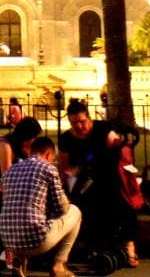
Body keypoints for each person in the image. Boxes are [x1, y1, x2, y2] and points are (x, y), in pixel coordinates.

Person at [58, 99, 138, 267]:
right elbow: (64, 168)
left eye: (82, 121)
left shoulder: (102, 129)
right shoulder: (66, 138)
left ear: (89, 118)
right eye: (74, 123)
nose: (79, 126)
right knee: (83, 206)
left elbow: (118, 148)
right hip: (83, 182)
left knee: (122, 204)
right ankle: (89, 245)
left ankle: (129, 244)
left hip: (108, 176)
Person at [0, 136, 81, 277]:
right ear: (49, 154)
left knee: (23, 217)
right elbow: (61, 207)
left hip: (7, 239)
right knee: (75, 212)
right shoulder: (48, 168)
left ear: (31, 151)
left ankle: (19, 260)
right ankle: (59, 265)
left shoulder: (10, 171)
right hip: (35, 240)